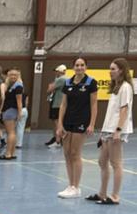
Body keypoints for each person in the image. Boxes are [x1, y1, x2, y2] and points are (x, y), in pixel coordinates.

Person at [87, 57, 133, 205]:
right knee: (102, 161)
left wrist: (118, 130)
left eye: (113, 69)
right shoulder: (115, 87)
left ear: (121, 70)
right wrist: (103, 132)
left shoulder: (125, 87)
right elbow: (111, 112)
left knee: (116, 163)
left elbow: (124, 110)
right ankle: (102, 193)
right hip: (108, 129)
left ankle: (115, 196)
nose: (110, 71)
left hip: (116, 130)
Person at [55, 56, 98, 198]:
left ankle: (76, 187)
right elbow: (63, 104)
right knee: (67, 153)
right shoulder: (67, 82)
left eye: (82, 65)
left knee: (75, 153)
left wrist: (91, 124)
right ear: (73, 67)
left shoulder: (91, 83)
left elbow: (93, 104)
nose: (79, 67)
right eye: (77, 65)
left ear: (86, 67)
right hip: (68, 121)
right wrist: (60, 124)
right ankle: (70, 185)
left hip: (82, 121)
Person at [0, 69, 23, 161]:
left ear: (18, 76)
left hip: (11, 111)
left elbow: (19, 101)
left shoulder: (18, 87)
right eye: (11, 75)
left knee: (10, 133)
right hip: (9, 110)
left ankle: (8, 153)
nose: (13, 77)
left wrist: (20, 113)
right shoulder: (11, 86)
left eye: (15, 75)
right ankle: (12, 153)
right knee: (12, 132)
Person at [45, 64, 67, 147]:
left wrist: (51, 86)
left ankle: (58, 140)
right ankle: (56, 138)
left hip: (57, 104)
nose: (55, 73)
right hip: (60, 103)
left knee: (57, 122)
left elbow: (49, 89)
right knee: (58, 122)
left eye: (56, 71)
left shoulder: (60, 79)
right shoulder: (65, 79)